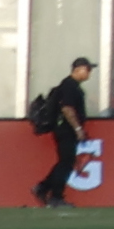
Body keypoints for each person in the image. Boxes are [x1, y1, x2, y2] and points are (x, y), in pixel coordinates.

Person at [26, 55, 91, 206]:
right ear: (78, 69)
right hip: (66, 130)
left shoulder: (69, 86)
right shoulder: (69, 86)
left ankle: (43, 187)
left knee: (66, 162)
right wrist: (78, 128)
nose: (89, 73)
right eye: (87, 69)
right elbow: (67, 108)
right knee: (66, 163)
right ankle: (55, 196)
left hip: (65, 130)